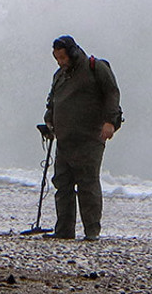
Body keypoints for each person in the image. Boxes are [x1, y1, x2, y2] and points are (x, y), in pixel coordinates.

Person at [43, 35, 121, 241]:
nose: (60, 62)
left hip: (90, 138)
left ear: (73, 52)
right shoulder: (60, 75)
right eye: (57, 58)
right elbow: (53, 102)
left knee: (87, 184)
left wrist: (110, 122)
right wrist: (49, 122)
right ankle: (64, 231)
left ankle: (91, 232)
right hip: (64, 138)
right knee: (62, 184)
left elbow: (112, 94)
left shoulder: (96, 68)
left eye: (63, 57)